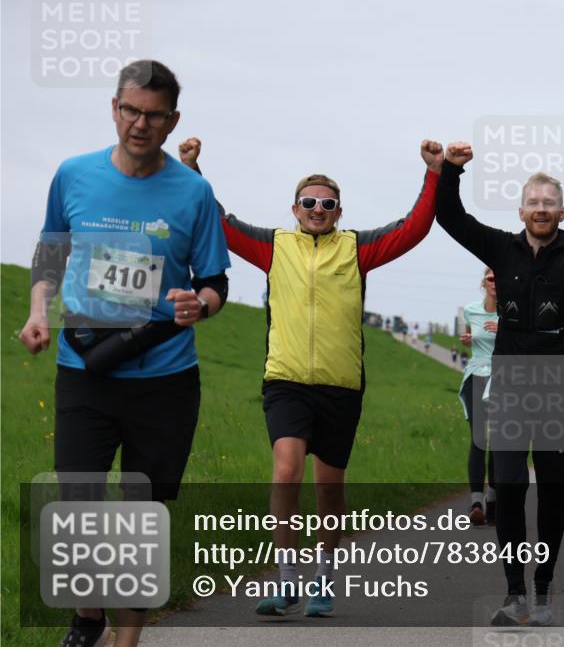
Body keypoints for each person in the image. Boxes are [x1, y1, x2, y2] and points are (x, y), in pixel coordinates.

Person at [179, 136, 442, 618]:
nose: (317, 209)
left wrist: (433, 173)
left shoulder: (358, 248)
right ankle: (286, 581)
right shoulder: (273, 246)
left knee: (329, 489)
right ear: (295, 209)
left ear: (339, 211)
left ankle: (323, 580)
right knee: (285, 472)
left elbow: (414, 229)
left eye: (327, 204)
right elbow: (219, 219)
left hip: (341, 385)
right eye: (309, 202)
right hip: (286, 381)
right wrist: (194, 167)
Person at [19, 60, 230, 647]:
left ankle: (127, 640)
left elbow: (217, 281)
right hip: (84, 369)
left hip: (164, 377)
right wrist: (39, 310)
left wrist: (201, 305)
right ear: (115, 109)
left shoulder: (194, 193)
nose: (140, 123)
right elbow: (50, 252)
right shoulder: (74, 175)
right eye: (131, 110)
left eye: (154, 114)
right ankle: (88, 619)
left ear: (173, 121)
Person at [435, 141, 564, 627]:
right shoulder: (499, 247)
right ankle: (514, 594)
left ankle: (544, 587)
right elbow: (450, 218)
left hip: (554, 388)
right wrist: (450, 171)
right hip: (509, 384)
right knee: (508, 487)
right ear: (521, 210)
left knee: (552, 491)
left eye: (549, 204)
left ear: (562, 211)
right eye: (534, 203)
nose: (541, 210)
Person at [459, 268, 499, 525]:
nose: (495, 283)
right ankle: (476, 501)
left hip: (502, 377)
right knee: (478, 438)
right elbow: (471, 337)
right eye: (490, 279)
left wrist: (503, 329)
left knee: (496, 441)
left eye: (499, 278)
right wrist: (468, 339)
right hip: (476, 374)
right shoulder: (471, 310)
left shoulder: (512, 311)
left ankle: (493, 501)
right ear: (483, 282)